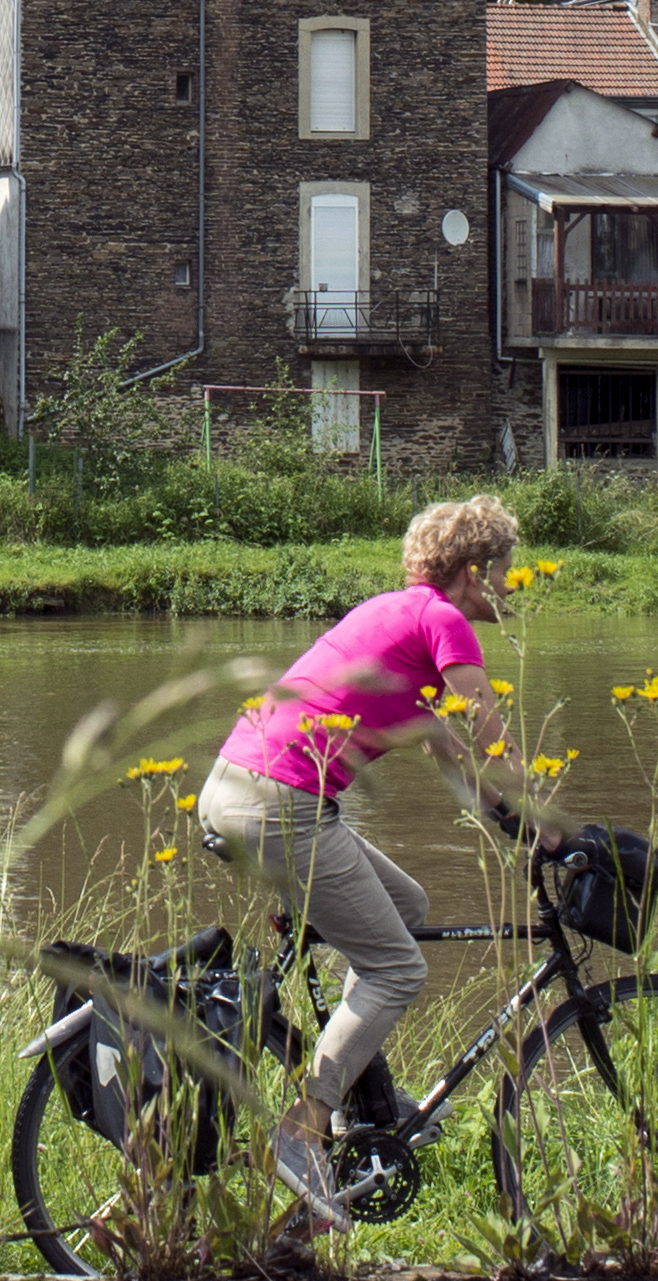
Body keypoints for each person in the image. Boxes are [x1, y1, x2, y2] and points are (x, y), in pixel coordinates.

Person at [195, 493, 534, 1233]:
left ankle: (363, 1101)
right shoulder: (443, 620)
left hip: (239, 789)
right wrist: (552, 821)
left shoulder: (395, 614)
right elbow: (484, 725)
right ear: (472, 572)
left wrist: (513, 825)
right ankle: (306, 1123)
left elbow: (452, 754)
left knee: (406, 912)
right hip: (282, 804)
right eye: (503, 571)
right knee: (399, 969)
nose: (509, 586)